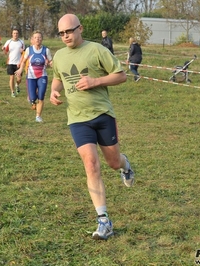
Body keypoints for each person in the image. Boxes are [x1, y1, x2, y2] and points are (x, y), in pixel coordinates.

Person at [50, 14, 135, 240]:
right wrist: (54, 90)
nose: (65, 36)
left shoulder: (97, 50)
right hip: (77, 119)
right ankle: (103, 220)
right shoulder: (58, 56)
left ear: (80, 29)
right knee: (91, 163)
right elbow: (58, 77)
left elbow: (121, 76)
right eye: (61, 33)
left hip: (103, 115)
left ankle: (126, 166)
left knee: (113, 162)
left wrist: (95, 81)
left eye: (69, 31)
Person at [15, 30, 52, 122]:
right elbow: (23, 62)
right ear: (33, 39)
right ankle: (32, 100)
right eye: (36, 37)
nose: (37, 39)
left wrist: (54, 66)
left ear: (42, 39)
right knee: (32, 97)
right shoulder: (29, 50)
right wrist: (20, 69)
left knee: (41, 96)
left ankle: (38, 116)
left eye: (39, 37)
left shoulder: (46, 50)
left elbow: (51, 62)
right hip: (31, 76)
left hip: (42, 76)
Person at [2, 28, 25, 97]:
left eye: (17, 33)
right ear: (12, 34)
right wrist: (4, 49)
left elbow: (24, 53)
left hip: (19, 63)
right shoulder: (8, 42)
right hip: (11, 62)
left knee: (19, 79)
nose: (15, 34)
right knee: (11, 77)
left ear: (18, 34)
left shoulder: (21, 42)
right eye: (14, 33)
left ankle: (17, 85)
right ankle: (12, 92)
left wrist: (22, 51)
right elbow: (5, 53)